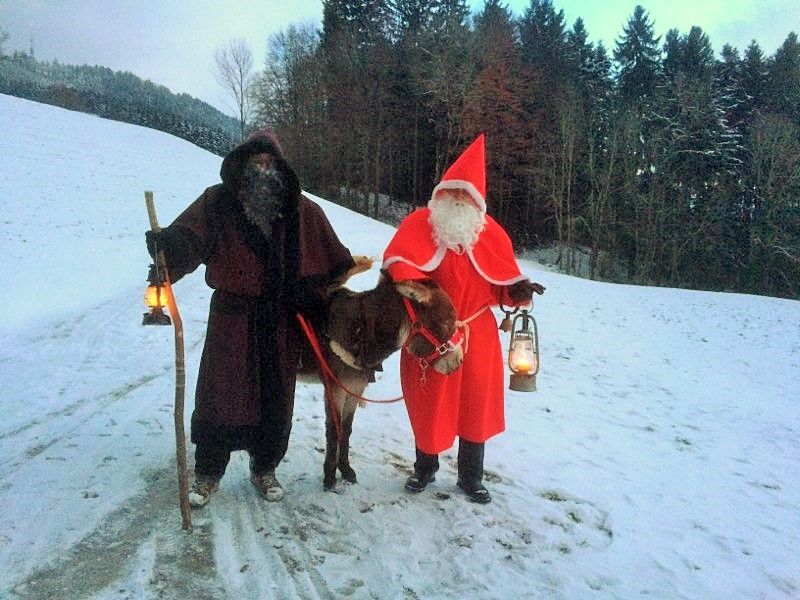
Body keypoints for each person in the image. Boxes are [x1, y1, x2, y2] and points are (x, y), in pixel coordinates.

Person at [146, 130, 354, 508]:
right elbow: (189, 238)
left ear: (278, 165)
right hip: (232, 318)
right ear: (242, 162)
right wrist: (169, 246)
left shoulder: (301, 210)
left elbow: (335, 263)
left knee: (276, 397)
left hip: (279, 322)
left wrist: (309, 292)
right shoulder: (217, 202)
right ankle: (208, 472)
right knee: (220, 394)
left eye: (269, 160)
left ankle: (265, 468)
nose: (262, 165)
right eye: (255, 159)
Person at [382, 134, 545, 504]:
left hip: (478, 334)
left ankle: (472, 477)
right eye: (453, 194)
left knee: (475, 406)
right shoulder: (420, 225)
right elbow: (400, 267)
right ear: (441, 195)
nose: (459, 202)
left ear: (477, 204)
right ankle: (425, 468)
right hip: (431, 332)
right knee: (430, 401)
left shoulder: (491, 235)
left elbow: (503, 283)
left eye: (466, 197)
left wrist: (518, 291)